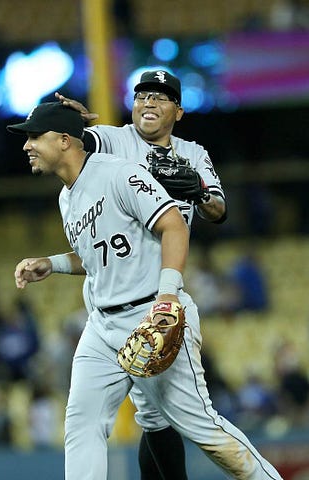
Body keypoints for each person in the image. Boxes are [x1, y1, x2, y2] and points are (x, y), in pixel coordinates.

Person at [7, 101, 283, 480]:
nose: (27, 145)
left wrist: (168, 297)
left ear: (66, 140)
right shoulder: (67, 196)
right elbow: (98, 254)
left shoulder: (120, 174)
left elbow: (174, 225)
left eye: (35, 136)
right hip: (101, 327)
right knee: (82, 425)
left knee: (205, 430)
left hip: (150, 315)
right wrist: (50, 263)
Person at [55, 69, 227, 479]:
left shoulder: (194, 153)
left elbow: (219, 210)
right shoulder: (114, 138)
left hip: (161, 292)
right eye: (142, 95)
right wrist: (73, 124)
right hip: (114, 297)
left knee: (165, 416)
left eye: (161, 97)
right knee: (137, 417)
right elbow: (77, 145)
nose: (149, 102)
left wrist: (200, 192)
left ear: (179, 111)